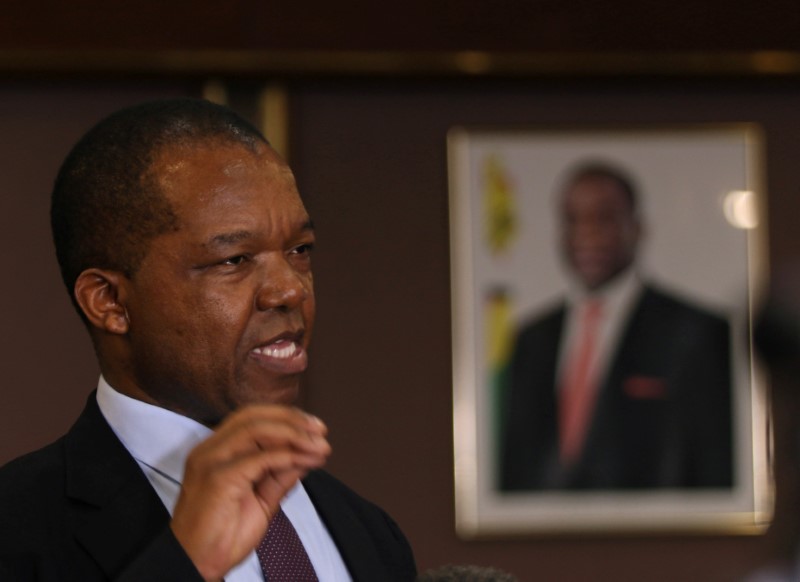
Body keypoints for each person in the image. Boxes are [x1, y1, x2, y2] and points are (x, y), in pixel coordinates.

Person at [0, 98, 417, 581]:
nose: (289, 290)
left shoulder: (369, 533)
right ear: (109, 302)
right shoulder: (17, 533)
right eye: (234, 260)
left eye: (299, 250)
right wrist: (184, 563)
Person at [499, 161, 733, 490]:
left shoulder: (694, 332)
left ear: (636, 227)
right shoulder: (532, 338)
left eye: (604, 218)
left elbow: (713, 464)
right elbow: (516, 465)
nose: (586, 234)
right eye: (573, 220)